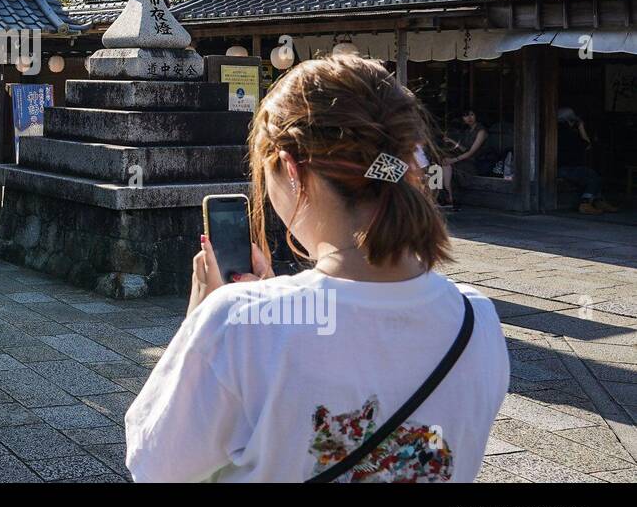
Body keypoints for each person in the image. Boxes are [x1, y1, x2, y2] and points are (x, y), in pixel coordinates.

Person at [125, 54, 509, 482]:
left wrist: (203, 326)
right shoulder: (479, 321)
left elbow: (155, 468)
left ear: (290, 168)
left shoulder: (238, 323)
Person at [557, 107, 617, 214]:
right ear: (570, 121)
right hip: (565, 169)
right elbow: (587, 145)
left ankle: (598, 201)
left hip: (562, 167)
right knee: (594, 177)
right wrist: (581, 128)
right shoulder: (567, 133)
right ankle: (585, 203)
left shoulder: (555, 131)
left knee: (590, 173)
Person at [439, 108, 489, 210]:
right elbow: (464, 149)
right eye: (466, 116)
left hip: (476, 160)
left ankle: (450, 197)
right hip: (465, 158)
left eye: (471, 115)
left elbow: (471, 152)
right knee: (444, 162)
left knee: (450, 165)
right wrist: (452, 141)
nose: (469, 118)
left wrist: (454, 160)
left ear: (476, 116)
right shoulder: (467, 131)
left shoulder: (481, 131)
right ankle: (449, 196)